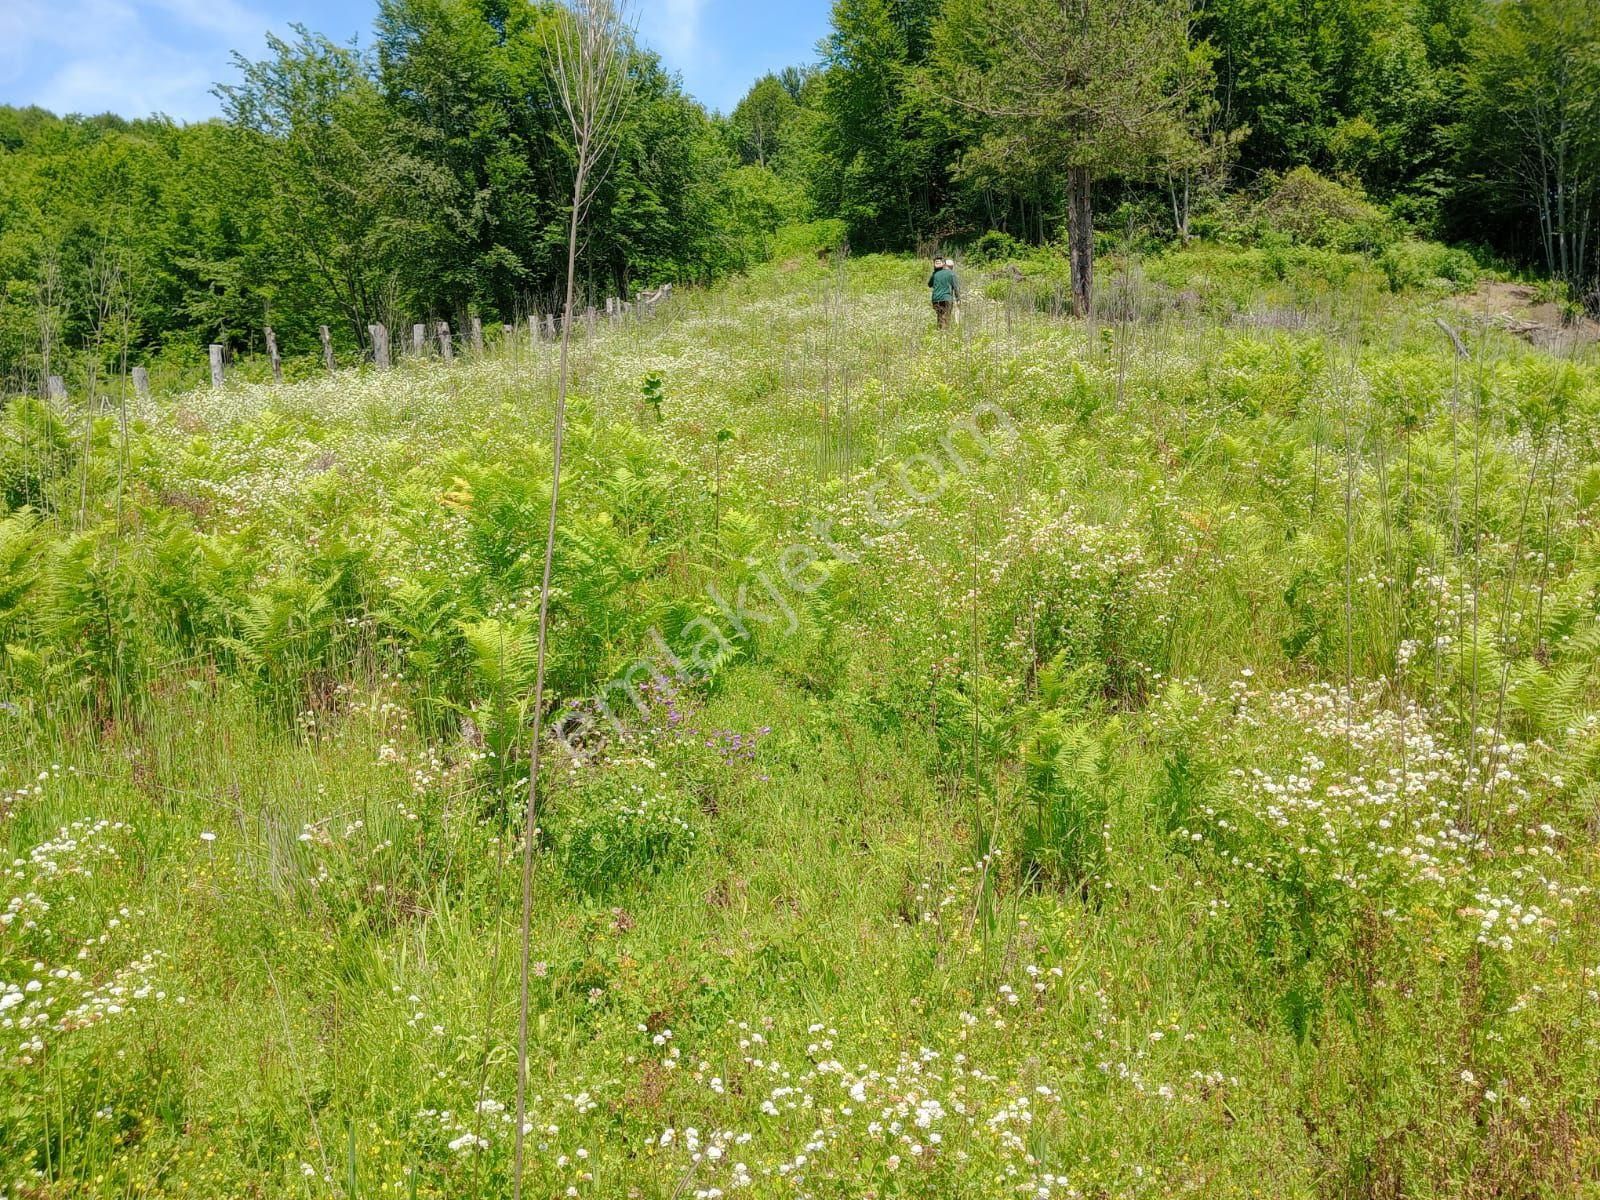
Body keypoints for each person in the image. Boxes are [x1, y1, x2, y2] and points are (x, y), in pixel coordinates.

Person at [928, 256, 960, 329]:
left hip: (935, 299)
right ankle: (944, 333)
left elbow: (929, 284)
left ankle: (940, 332)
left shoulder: (935, 274)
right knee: (946, 317)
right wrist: (958, 299)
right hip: (947, 298)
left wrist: (934, 272)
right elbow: (956, 287)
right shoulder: (951, 273)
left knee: (940, 316)